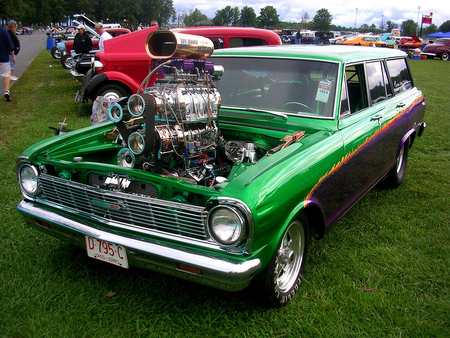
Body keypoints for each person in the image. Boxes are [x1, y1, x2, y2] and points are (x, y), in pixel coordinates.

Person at [0, 26, 15, 102]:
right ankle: (6, 91)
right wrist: (13, 56)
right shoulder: (3, 31)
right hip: (3, 57)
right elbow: (10, 46)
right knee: (6, 75)